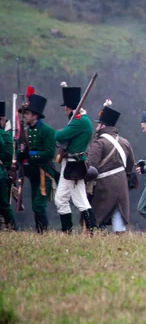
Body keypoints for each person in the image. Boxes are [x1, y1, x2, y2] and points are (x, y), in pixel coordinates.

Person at [54, 83, 98, 233]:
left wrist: (60, 131)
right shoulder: (79, 120)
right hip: (69, 165)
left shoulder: (79, 121)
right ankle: (67, 231)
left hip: (74, 166)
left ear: (68, 108)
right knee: (60, 199)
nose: (64, 110)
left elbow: (59, 135)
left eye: (65, 107)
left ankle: (94, 229)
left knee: (81, 202)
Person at [87, 100, 135, 234]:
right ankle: (119, 243)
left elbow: (91, 167)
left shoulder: (99, 143)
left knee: (97, 216)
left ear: (102, 126)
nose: (96, 127)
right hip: (122, 184)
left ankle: (100, 239)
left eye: (98, 124)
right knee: (117, 215)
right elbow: (130, 166)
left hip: (104, 186)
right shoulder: (125, 142)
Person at [17, 88, 57, 233]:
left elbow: (50, 153)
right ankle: (40, 232)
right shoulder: (25, 132)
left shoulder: (47, 131)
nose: (25, 116)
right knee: (35, 205)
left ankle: (43, 233)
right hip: (32, 173)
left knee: (39, 205)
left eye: (27, 113)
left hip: (44, 172)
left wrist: (30, 154)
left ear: (35, 115)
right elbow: (20, 152)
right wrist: (21, 154)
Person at [0, 101, 17, 231]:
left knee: (4, 205)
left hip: (2, 174)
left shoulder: (5, 136)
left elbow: (7, 156)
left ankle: (12, 229)